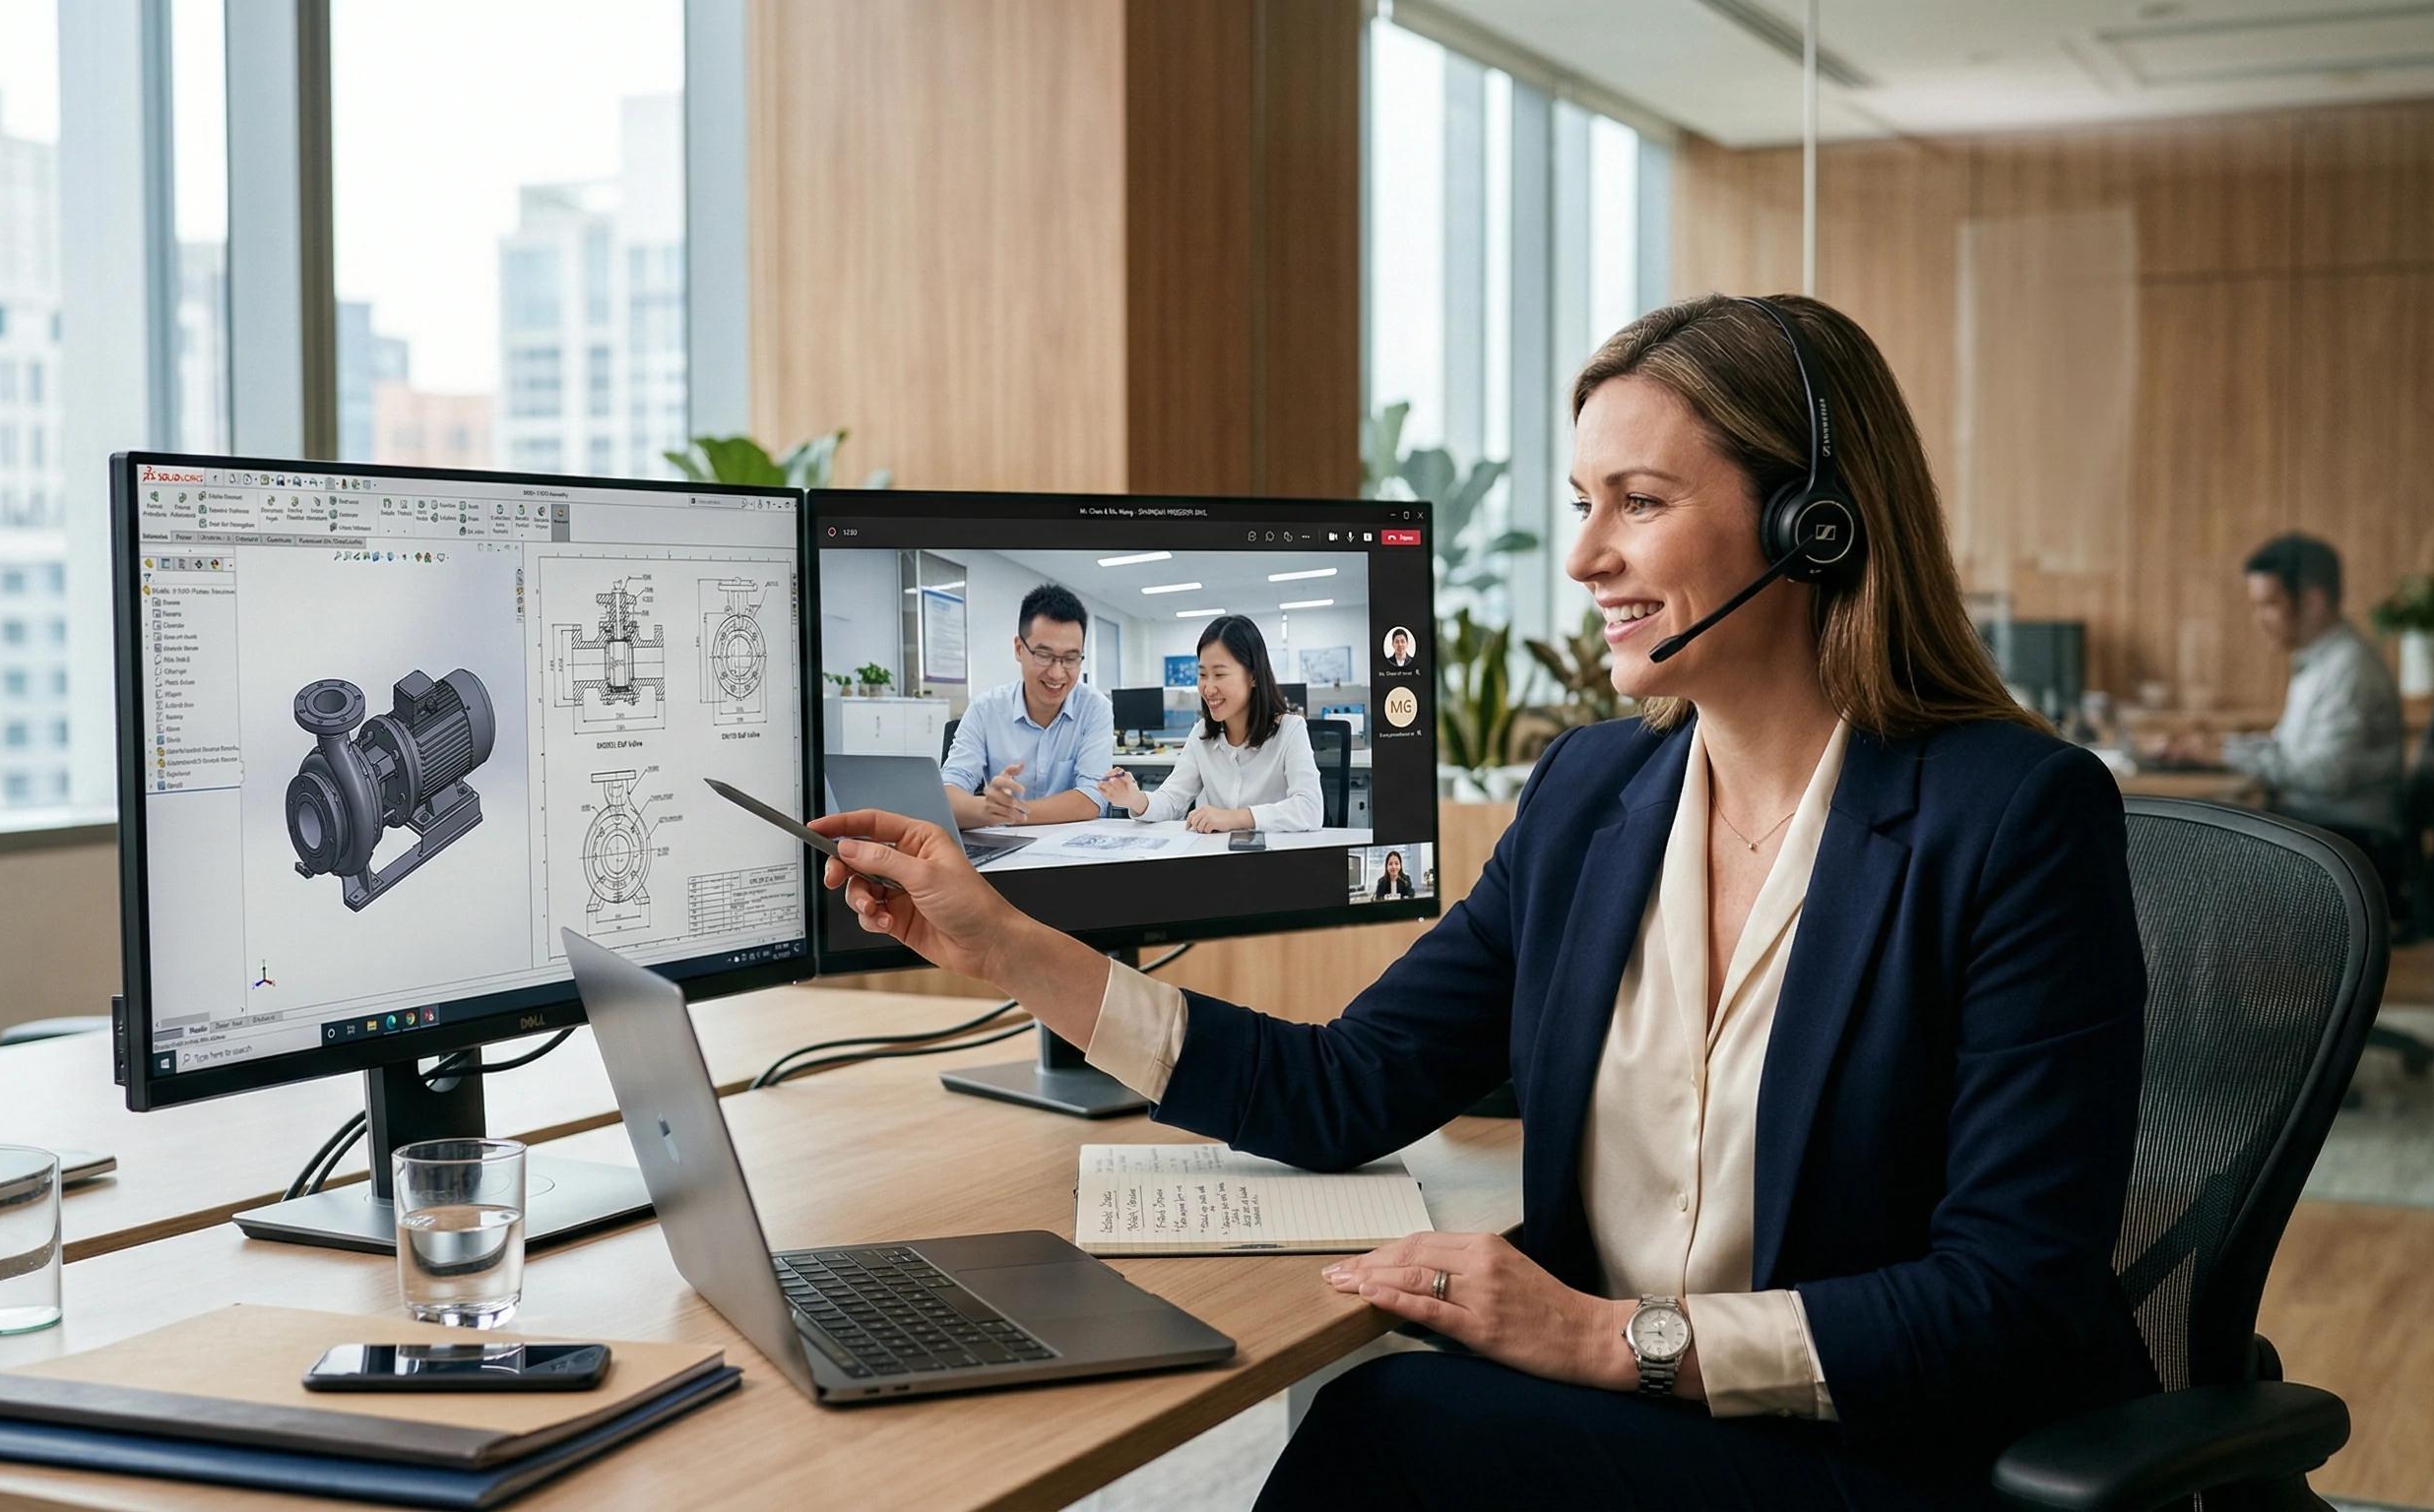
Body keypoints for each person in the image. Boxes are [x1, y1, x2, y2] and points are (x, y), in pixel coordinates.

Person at [810, 294, 2154, 1509]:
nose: (1583, 560)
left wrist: (1607, 1339)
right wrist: (1004, 945)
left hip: (1890, 1453)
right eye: (1584, 503)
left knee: (1392, 1436)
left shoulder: (2015, 817)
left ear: (1815, 522)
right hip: (1644, 1431)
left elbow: (2012, 1303)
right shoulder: (1589, 800)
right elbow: (1348, 1086)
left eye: (1637, 502)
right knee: (1393, 1426)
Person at [2170, 535, 2403, 837]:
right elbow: (2289, 749)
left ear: (2312, 602)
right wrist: (2219, 747)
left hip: (2343, 838)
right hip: (2322, 826)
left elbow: (2326, 773)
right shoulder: (2320, 660)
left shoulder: (2349, 668)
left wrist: (2220, 755)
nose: (2259, 620)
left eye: (2269, 604)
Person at [1099, 614, 1323, 834]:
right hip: (1220, 862)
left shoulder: (1290, 730)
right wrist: (1135, 799)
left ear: (1253, 676)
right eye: (1203, 674)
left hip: (1278, 859)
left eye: (1219, 674)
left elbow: (1310, 808)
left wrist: (1234, 818)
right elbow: (1171, 800)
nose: (1208, 688)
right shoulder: (1202, 734)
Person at [937, 584, 1116, 830]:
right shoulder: (984, 710)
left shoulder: (1095, 708)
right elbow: (947, 792)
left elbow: (1091, 799)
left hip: (1075, 854)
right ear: (1019, 649)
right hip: (1004, 853)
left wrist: (1004, 812)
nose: (1057, 673)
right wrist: (986, 808)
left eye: (1071, 659)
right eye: (1044, 655)